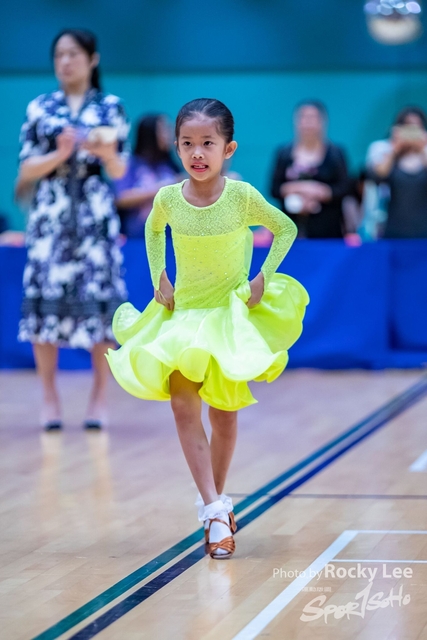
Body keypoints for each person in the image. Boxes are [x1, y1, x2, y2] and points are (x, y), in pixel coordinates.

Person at [106, 98, 309, 559]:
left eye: (207, 143)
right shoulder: (168, 198)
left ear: (228, 148)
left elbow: (285, 229)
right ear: (177, 147)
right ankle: (215, 510)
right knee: (182, 404)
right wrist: (159, 275)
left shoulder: (242, 197)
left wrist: (264, 276)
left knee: (224, 414)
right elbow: (153, 231)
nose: (197, 153)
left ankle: (214, 505)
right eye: (187, 144)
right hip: (183, 315)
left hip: (227, 318)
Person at [16, 29, 129, 431]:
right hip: (51, 214)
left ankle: (99, 398)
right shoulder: (40, 108)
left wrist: (106, 153)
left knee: (101, 305)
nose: (65, 62)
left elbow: (120, 170)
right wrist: (60, 153)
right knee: (44, 303)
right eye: (59, 55)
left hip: (95, 215)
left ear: (92, 59)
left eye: (74, 54)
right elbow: (26, 168)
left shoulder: (110, 107)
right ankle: (49, 398)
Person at [270, 100, 349, 238]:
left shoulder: (336, 154)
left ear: (323, 121)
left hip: (328, 230)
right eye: (303, 117)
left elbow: (345, 188)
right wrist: (298, 189)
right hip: (290, 229)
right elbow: (274, 189)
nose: (307, 123)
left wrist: (321, 192)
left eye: (312, 118)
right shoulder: (283, 153)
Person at [114, 114, 181, 238]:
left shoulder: (170, 166)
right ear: (149, 134)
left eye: (169, 129)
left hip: (170, 236)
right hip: (137, 236)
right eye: (163, 130)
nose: (169, 135)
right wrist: (162, 189)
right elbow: (120, 198)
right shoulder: (131, 164)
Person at [367, 106, 427, 238]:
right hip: (394, 228)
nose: (412, 132)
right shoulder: (384, 150)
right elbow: (377, 176)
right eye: (408, 127)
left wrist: (422, 148)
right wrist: (394, 148)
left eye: (417, 128)